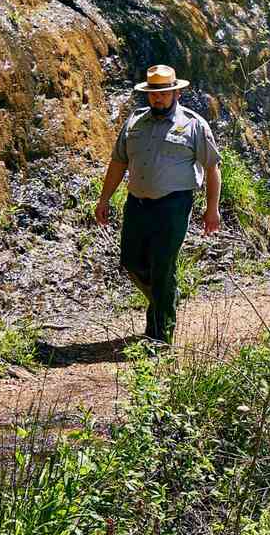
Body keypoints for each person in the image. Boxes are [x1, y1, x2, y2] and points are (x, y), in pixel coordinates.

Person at [94, 64, 221, 344]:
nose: (158, 98)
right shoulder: (135, 122)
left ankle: (159, 337)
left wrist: (212, 208)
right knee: (130, 260)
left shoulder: (193, 124)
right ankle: (167, 296)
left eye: (164, 93)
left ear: (176, 93)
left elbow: (212, 168)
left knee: (162, 266)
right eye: (153, 93)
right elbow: (118, 163)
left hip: (173, 206)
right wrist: (104, 199)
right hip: (137, 204)